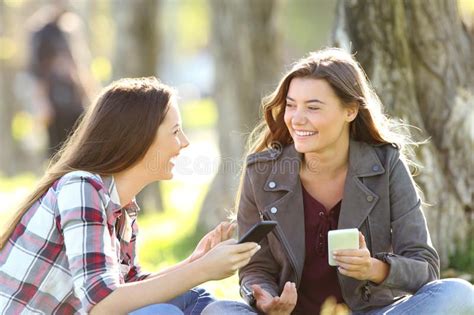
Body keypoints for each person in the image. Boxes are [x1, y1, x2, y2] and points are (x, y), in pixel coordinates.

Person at [201, 48, 474, 314]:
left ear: (350, 111)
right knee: (219, 310)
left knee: (458, 293)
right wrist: (265, 299)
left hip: (371, 312)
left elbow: (424, 267)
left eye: (313, 107)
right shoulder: (261, 172)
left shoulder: (386, 166)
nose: (297, 118)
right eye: (291, 105)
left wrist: (373, 268)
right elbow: (255, 268)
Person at [0, 77, 260, 315]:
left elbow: (129, 287)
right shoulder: (80, 186)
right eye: (175, 131)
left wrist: (194, 262)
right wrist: (202, 270)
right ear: (140, 137)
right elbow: (102, 303)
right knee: (163, 314)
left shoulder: (123, 207)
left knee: (193, 299)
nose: (184, 142)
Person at [29, 7, 91, 157]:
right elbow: (37, 71)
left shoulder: (70, 29)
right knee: (57, 151)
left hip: (74, 99)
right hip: (55, 100)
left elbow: (78, 65)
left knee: (78, 147)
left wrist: (89, 94)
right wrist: (42, 103)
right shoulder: (41, 33)